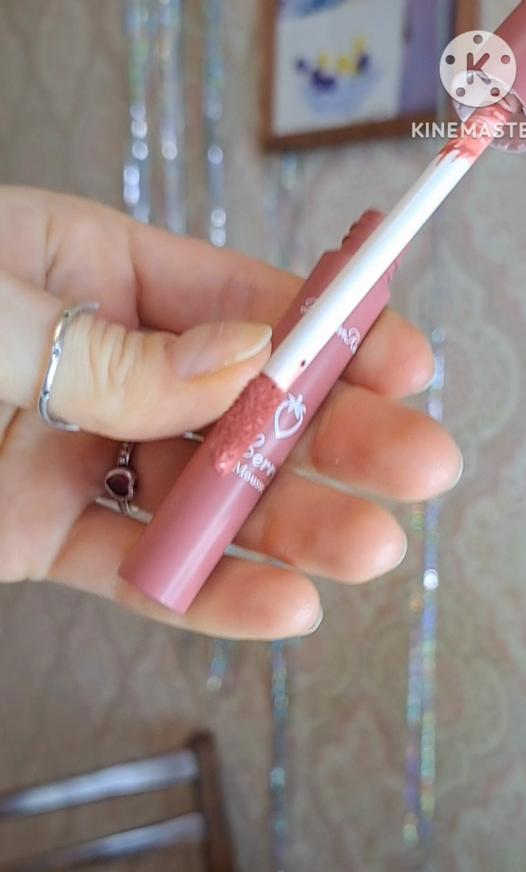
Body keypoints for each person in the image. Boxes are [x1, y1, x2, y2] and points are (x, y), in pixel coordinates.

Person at [0, 187, 462, 639]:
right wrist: (80, 362)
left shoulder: (363, 297)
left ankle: (169, 570)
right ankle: (164, 567)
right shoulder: (341, 280)